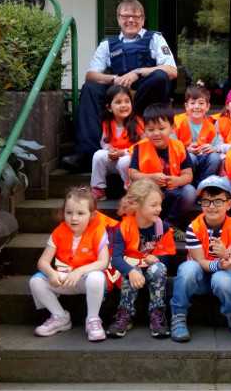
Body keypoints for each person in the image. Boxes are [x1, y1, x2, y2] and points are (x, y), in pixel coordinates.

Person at [63, 0, 177, 171]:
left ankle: (135, 120)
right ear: (118, 18)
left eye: (136, 16)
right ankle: (87, 153)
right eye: (125, 16)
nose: (130, 20)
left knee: (160, 76)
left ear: (143, 19)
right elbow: (91, 75)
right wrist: (114, 79)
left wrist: (137, 73)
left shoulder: (155, 38)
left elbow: (172, 70)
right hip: (119, 92)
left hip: (144, 96)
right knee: (90, 88)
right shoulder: (107, 44)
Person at [170, 176, 231, 342]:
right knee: (187, 269)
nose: (212, 206)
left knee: (223, 278)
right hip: (199, 277)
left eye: (218, 201)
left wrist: (225, 256)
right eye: (206, 201)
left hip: (224, 275)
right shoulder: (194, 227)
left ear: (229, 204)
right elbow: (200, 262)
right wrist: (220, 261)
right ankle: (178, 316)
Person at [28, 187, 110, 342]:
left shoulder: (98, 230)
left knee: (97, 277)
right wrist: (51, 273)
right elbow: (43, 262)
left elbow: (103, 262)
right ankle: (60, 317)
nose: (74, 218)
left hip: (86, 279)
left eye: (80, 213)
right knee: (36, 281)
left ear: (91, 215)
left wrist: (79, 272)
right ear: (63, 212)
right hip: (64, 278)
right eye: (69, 212)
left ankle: (92, 320)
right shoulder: (59, 232)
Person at [107, 179, 176, 339]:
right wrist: (131, 271)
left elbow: (167, 256)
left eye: (160, 204)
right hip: (131, 269)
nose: (159, 209)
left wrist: (157, 258)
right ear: (137, 205)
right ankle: (125, 313)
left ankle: (157, 313)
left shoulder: (162, 227)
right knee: (128, 269)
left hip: (152, 270)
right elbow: (116, 259)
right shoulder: (123, 227)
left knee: (159, 269)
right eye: (153, 205)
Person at [128, 103, 196, 228]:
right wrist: (150, 177)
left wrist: (177, 180)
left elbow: (188, 175)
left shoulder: (179, 146)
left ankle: (170, 225)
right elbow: (132, 173)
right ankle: (148, 225)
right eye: (151, 130)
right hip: (148, 191)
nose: (156, 133)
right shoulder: (140, 147)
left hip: (172, 191)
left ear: (172, 128)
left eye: (161, 128)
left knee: (190, 191)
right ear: (144, 130)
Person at [90, 85, 143, 199]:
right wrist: (109, 150)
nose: (123, 105)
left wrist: (123, 152)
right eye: (118, 102)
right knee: (98, 155)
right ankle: (98, 189)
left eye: (127, 101)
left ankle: (131, 190)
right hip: (113, 159)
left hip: (130, 160)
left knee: (125, 161)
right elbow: (104, 142)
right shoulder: (107, 123)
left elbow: (142, 145)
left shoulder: (137, 122)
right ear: (109, 107)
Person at [173, 85, 222, 185]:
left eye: (201, 103)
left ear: (207, 107)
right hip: (184, 162)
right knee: (191, 157)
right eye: (192, 103)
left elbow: (219, 145)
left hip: (204, 160)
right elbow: (171, 144)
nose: (197, 107)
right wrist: (186, 150)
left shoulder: (211, 126)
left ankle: (203, 185)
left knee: (215, 158)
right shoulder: (177, 122)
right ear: (186, 106)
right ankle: (189, 184)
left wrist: (213, 148)